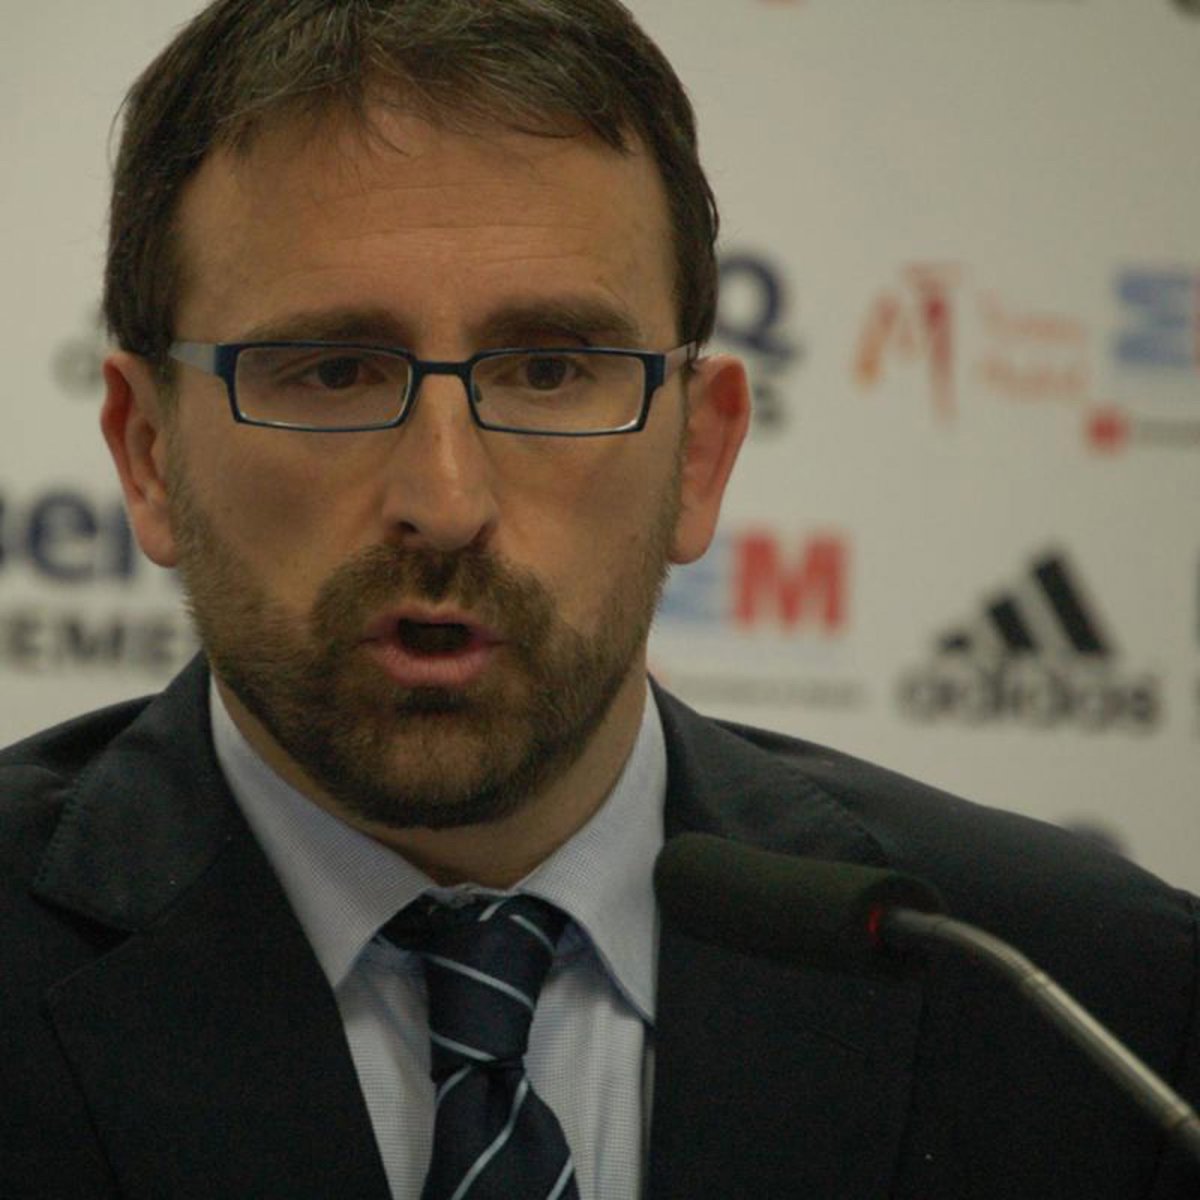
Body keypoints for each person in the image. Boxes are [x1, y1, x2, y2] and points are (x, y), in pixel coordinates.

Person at [1, 2, 1197, 1197]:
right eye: (333, 371)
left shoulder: (1085, 1005)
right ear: (148, 455)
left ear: (700, 458)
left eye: (550, 370)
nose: (446, 499)